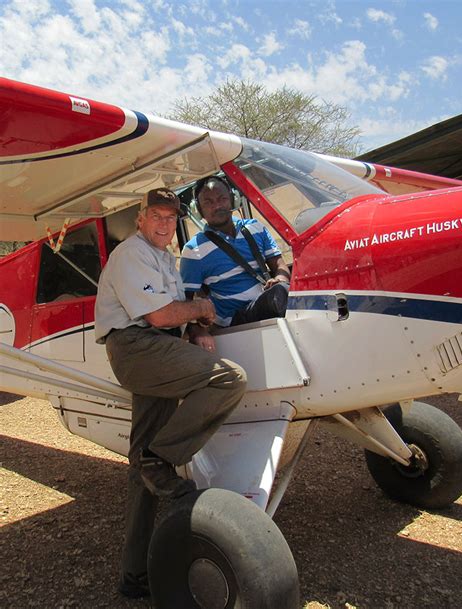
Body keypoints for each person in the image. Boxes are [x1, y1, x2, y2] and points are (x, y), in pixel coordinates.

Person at [94, 187, 247, 599]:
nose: (164, 224)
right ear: (140, 219)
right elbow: (161, 315)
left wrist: (195, 326)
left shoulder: (163, 258)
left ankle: (134, 574)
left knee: (139, 470)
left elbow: (174, 312)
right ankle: (160, 460)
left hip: (156, 348)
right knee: (229, 379)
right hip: (137, 349)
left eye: (170, 218)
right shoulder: (132, 254)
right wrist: (201, 310)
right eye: (156, 216)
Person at [180, 176, 291, 347]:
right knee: (281, 294)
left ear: (233, 199)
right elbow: (186, 301)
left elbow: (279, 264)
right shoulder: (193, 250)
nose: (217, 206)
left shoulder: (255, 227)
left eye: (222, 199)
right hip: (236, 319)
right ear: (198, 210)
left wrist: (280, 279)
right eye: (208, 202)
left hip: (268, 302)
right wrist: (197, 330)